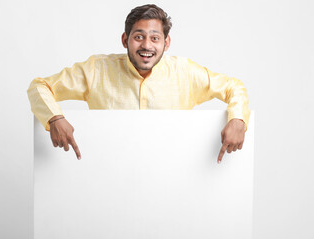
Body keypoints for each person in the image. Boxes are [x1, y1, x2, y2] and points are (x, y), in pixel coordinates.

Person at [27, 4, 250, 164]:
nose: (147, 45)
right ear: (125, 39)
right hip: (106, 174)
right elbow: (39, 86)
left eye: (155, 38)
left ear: (166, 42)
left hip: (174, 175)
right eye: (138, 36)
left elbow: (234, 87)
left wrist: (238, 119)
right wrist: (54, 118)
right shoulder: (96, 70)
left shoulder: (186, 73)